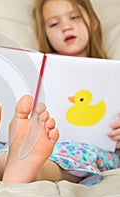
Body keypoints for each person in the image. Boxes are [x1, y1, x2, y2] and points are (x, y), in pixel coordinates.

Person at [32, 0, 120, 185]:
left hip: (90, 149)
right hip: (40, 141)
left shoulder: (114, 76)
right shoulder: (39, 73)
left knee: (78, 155)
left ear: (94, 21)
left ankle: (30, 169)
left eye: (75, 17)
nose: (66, 27)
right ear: (46, 34)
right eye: (54, 24)